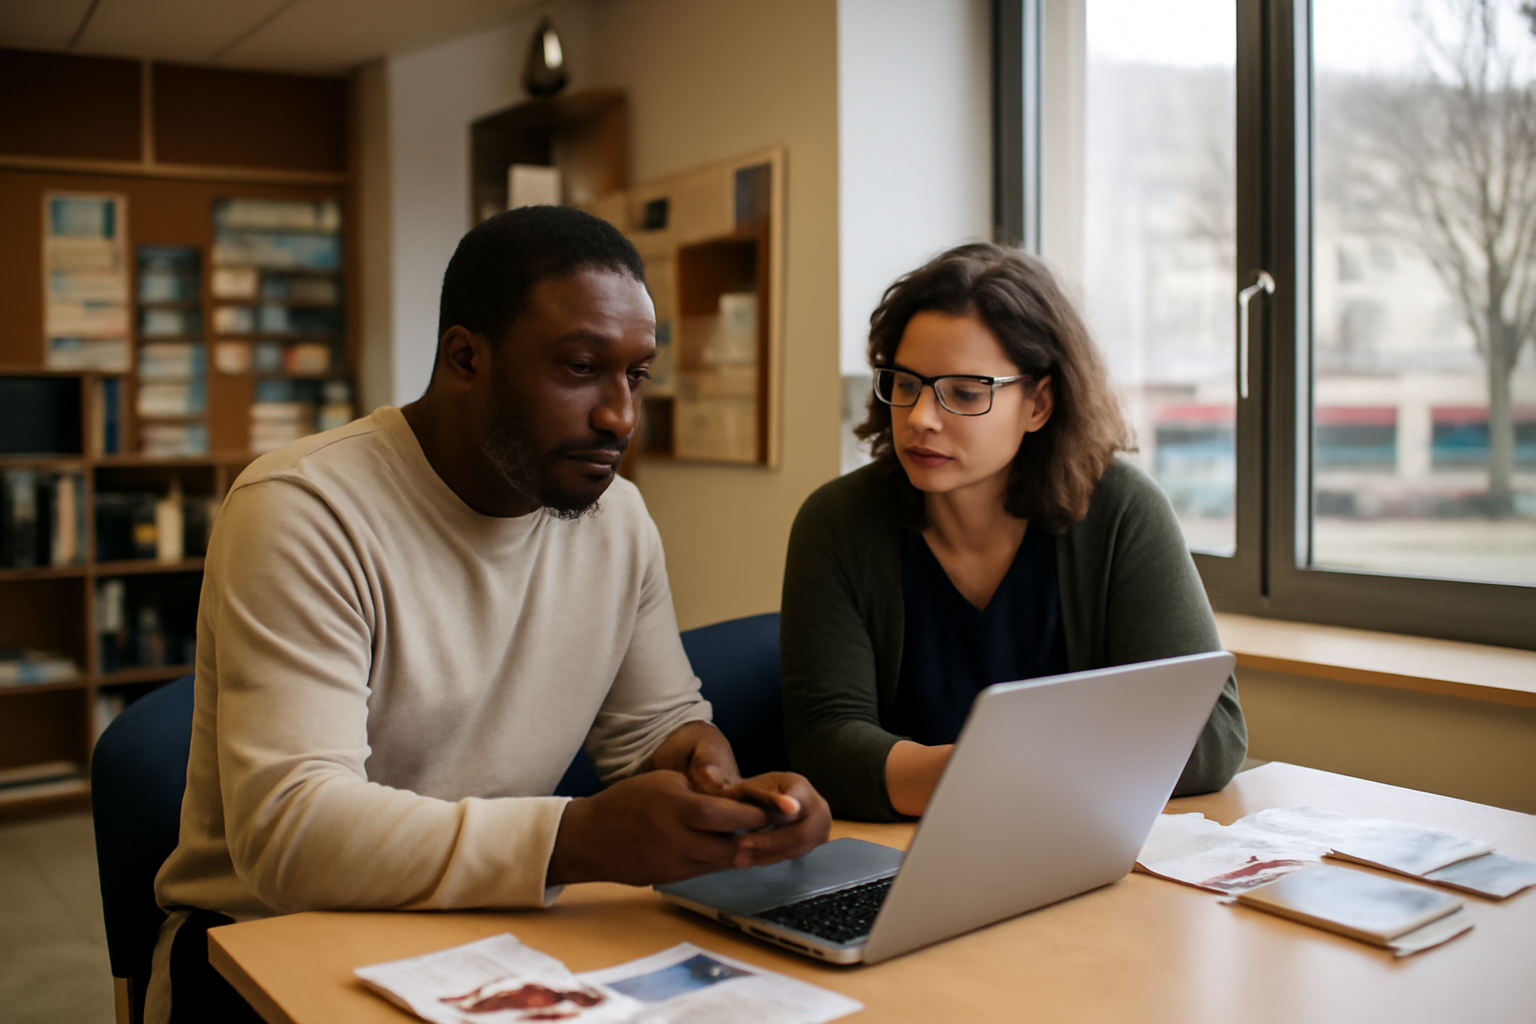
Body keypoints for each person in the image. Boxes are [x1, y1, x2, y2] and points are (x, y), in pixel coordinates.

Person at [146, 206, 830, 1023]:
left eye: (637, 374)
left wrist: (715, 791)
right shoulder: (302, 510)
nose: (620, 415)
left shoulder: (619, 521)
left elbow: (658, 730)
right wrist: (575, 838)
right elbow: (290, 836)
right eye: (581, 368)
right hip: (264, 949)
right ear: (465, 357)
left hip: (484, 942)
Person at [780, 242, 1247, 822]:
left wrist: (987, 772)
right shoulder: (837, 523)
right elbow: (825, 745)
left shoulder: (1122, 510)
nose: (922, 417)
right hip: (903, 859)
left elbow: (1212, 735)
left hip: (1079, 850)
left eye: (966, 393)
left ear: (1039, 404)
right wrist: (1001, 774)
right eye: (905, 384)